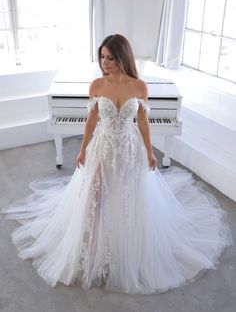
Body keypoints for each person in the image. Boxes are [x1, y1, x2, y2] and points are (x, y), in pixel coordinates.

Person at [0, 34, 232, 295]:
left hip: (130, 149)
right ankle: (91, 249)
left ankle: (125, 247)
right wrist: (82, 149)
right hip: (103, 146)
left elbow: (143, 121)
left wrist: (150, 151)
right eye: (102, 57)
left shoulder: (140, 86)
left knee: (128, 195)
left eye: (110, 57)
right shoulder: (97, 85)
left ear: (122, 56)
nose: (105, 62)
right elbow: (91, 120)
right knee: (94, 195)